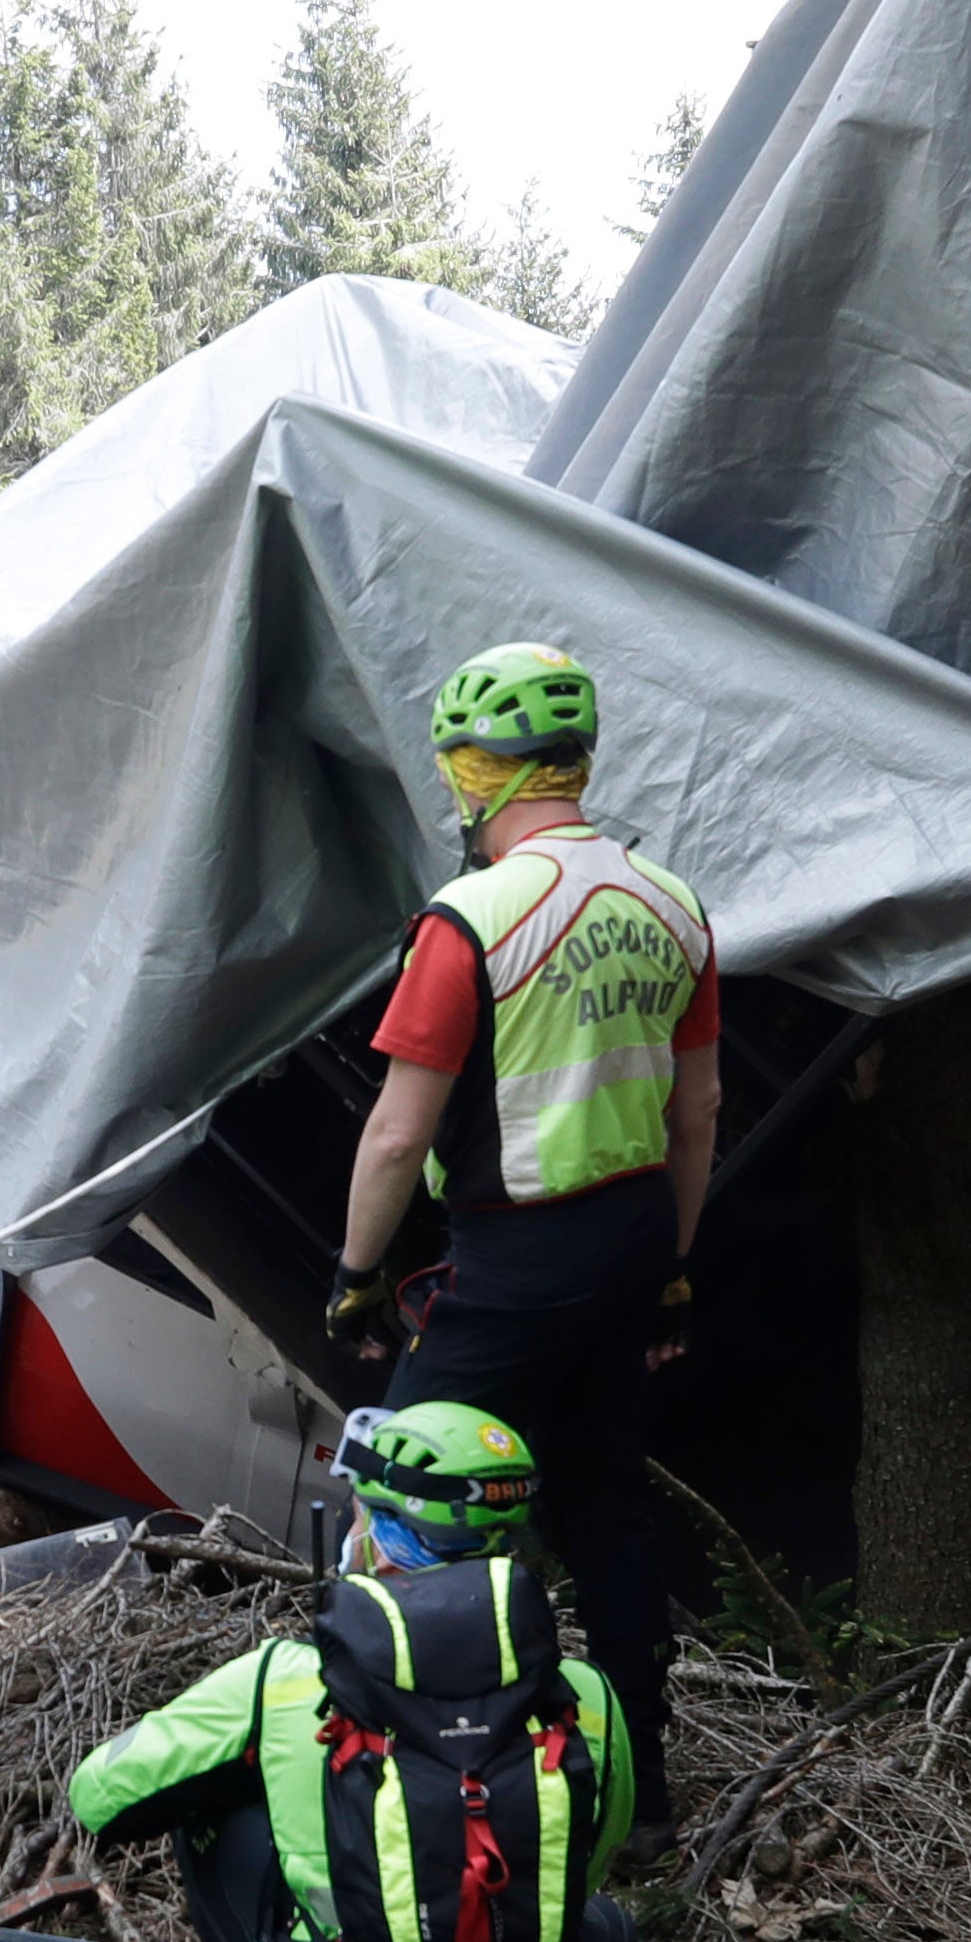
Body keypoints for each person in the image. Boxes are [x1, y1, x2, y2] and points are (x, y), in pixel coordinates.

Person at [325, 644, 718, 1852]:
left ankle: (368, 1763)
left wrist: (353, 1277)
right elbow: (695, 1112)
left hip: (516, 1250)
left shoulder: (470, 918)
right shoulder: (672, 903)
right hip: (632, 1231)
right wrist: (670, 1272)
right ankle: (639, 1790)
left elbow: (397, 1133)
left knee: (395, 1487)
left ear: (477, 774)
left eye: (456, 764)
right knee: (602, 1501)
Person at [67, 1402, 655, 1942]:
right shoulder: (587, 1694)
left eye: (360, 1511)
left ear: (384, 1532)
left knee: (211, 1806)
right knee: (607, 1925)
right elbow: (591, 1860)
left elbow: (99, 1797)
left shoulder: (284, 1681)